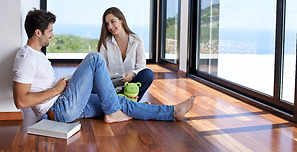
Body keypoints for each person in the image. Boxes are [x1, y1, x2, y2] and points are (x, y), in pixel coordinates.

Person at [13, 9, 195, 124]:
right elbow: (20, 101)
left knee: (121, 102)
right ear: (38, 32)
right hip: (59, 109)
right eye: (50, 30)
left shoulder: (37, 55)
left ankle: (172, 112)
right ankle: (113, 112)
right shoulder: (26, 58)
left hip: (63, 102)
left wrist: (61, 87)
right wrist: (56, 90)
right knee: (95, 58)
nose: (52, 34)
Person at [98, 7, 153, 101]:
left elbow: (141, 66)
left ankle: (120, 102)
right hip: (112, 85)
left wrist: (132, 74)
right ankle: (128, 104)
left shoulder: (137, 40)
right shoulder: (105, 43)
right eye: (107, 24)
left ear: (121, 20)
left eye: (113, 21)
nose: (110, 27)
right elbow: (102, 69)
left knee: (148, 74)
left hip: (131, 86)